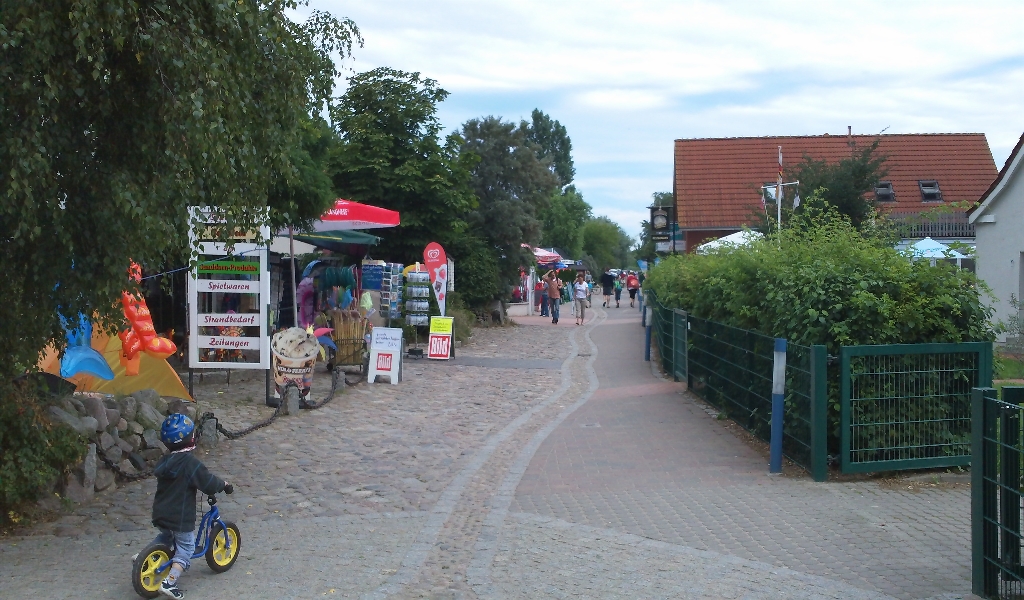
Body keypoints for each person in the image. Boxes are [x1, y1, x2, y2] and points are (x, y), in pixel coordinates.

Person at [149, 414, 232, 599]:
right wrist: (224, 485)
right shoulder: (190, 463)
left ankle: (145, 558)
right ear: (191, 438)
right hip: (180, 516)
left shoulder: (164, 461)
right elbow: (208, 482)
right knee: (185, 548)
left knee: (166, 536)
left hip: (161, 512)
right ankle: (169, 582)